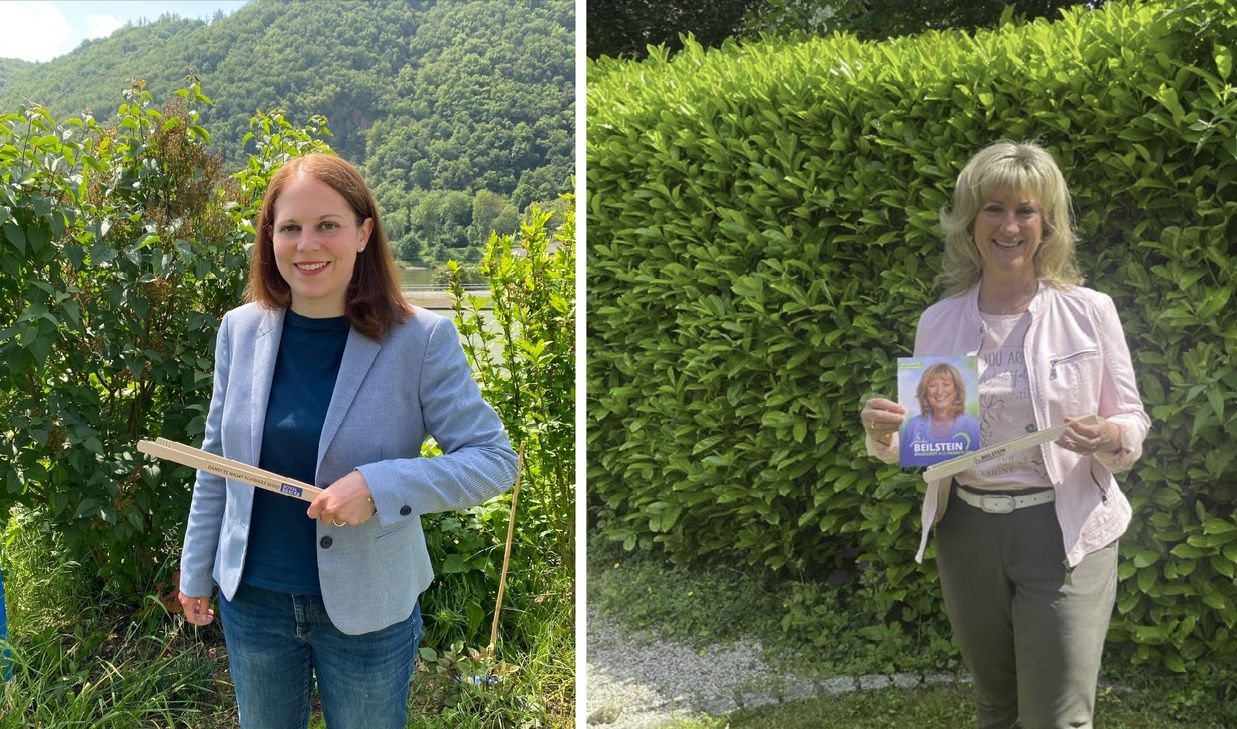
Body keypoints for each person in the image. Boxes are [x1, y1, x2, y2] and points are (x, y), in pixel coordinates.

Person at [177, 153, 518, 729]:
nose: (307, 244)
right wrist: (195, 569)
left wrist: (378, 485)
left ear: (363, 233)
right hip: (252, 603)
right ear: (271, 238)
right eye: (290, 227)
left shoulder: (421, 338)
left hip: (371, 609)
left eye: (328, 225)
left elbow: (493, 461)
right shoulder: (239, 329)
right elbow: (218, 463)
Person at [859, 140, 1149, 729]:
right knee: (998, 708)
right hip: (967, 533)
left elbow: (1132, 421)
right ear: (970, 222)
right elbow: (927, 444)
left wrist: (1107, 434)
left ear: (1047, 224)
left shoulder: (1089, 311)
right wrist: (884, 433)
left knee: (1058, 718)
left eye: (1025, 210)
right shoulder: (938, 321)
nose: (1009, 225)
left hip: (1065, 528)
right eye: (994, 208)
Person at [900, 361, 981, 463]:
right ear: (925, 392)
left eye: (946, 384)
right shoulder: (913, 425)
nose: (939, 391)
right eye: (932, 385)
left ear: (956, 390)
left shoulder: (972, 424)